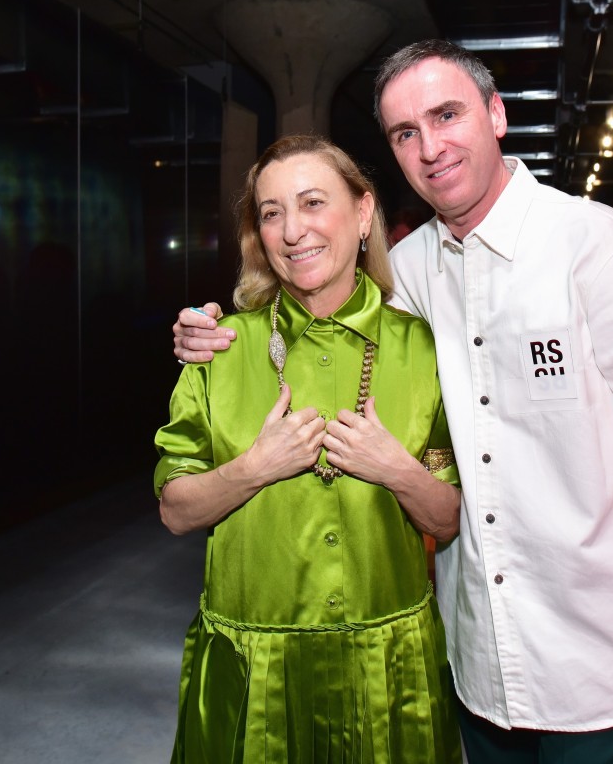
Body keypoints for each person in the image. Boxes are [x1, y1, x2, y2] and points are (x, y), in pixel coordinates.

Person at [172, 39, 613, 764]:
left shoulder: (601, 246)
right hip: (474, 665)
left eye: (447, 114)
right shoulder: (413, 272)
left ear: (496, 114)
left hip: (592, 660)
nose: (430, 147)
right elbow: (320, 286)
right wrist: (202, 333)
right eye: (404, 132)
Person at [155, 133, 463, 763]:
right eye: (271, 213)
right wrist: (253, 468)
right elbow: (176, 510)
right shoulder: (221, 348)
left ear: (364, 212)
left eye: (313, 203)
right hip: (253, 679)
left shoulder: (426, 349)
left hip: (388, 677)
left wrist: (397, 471)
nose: (293, 230)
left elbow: (448, 520)